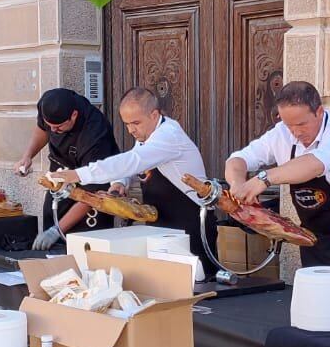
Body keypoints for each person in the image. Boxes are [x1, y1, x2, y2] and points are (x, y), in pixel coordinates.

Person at [225, 81, 330, 299]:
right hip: (314, 239)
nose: (295, 133)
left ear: (319, 111)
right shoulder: (281, 133)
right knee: (319, 310)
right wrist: (236, 183)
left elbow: (314, 164)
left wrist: (264, 178)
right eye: (288, 125)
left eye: (301, 124)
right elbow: (239, 158)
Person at [40, 87, 217, 272]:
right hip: (161, 223)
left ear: (154, 115)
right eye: (126, 124)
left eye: (135, 123)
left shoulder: (168, 136)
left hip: (192, 223)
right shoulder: (147, 133)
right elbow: (135, 157)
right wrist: (119, 183)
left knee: (198, 284)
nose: (131, 130)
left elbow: (132, 161)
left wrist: (78, 174)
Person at [14, 88, 122, 249]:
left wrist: (56, 230)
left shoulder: (96, 135)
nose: (53, 131)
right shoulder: (47, 103)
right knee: (52, 236)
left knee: (82, 249)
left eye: (58, 128)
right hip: (60, 179)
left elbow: (93, 194)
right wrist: (28, 155)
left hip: (90, 195)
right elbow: (43, 128)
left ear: (73, 116)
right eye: (50, 126)